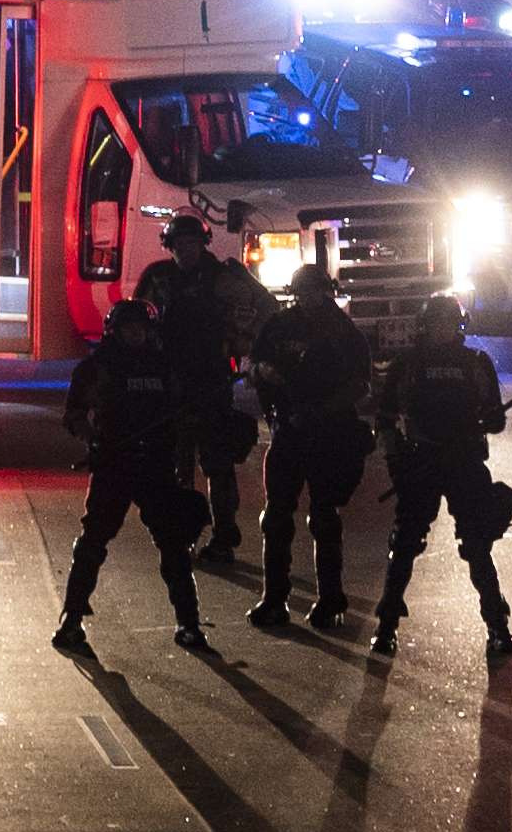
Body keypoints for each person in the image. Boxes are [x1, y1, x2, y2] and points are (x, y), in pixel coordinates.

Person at [52, 287, 215, 656]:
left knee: (173, 545)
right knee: (93, 542)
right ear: (115, 331)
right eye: (128, 329)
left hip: (157, 464)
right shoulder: (97, 367)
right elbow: (74, 415)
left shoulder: (165, 365)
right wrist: (95, 441)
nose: (135, 334)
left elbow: (185, 411)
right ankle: (71, 619)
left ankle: (188, 624)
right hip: (114, 464)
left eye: (141, 328)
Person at [368, 293, 512, 659]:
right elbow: (385, 418)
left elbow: (495, 418)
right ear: (424, 326)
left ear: (458, 325)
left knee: (477, 546)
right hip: (421, 461)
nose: (442, 330)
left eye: (447, 323)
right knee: (404, 546)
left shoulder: (475, 364)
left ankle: (498, 627)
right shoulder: (408, 365)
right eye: (436, 324)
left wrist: (490, 420)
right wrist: (395, 461)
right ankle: (386, 627)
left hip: (463, 462)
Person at [245, 259, 377, 634]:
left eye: (314, 292)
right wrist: (260, 372)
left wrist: (320, 411)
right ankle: (274, 599)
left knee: (324, 517)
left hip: (328, 435)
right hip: (287, 432)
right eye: (302, 292)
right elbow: (251, 363)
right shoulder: (279, 325)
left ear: (327, 292)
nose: (308, 299)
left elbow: (360, 386)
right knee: (276, 518)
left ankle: (331, 599)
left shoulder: (344, 333)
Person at [127, 214, 264, 564]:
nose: (185, 251)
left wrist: (242, 349)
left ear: (202, 244)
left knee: (217, 464)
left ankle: (223, 535)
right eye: (178, 244)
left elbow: (258, 311)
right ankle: (182, 533)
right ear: (169, 246)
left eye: (191, 243)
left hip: (211, 381)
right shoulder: (159, 278)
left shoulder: (223, 277)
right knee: (177, 465)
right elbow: (134, 322)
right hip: (170, 384)